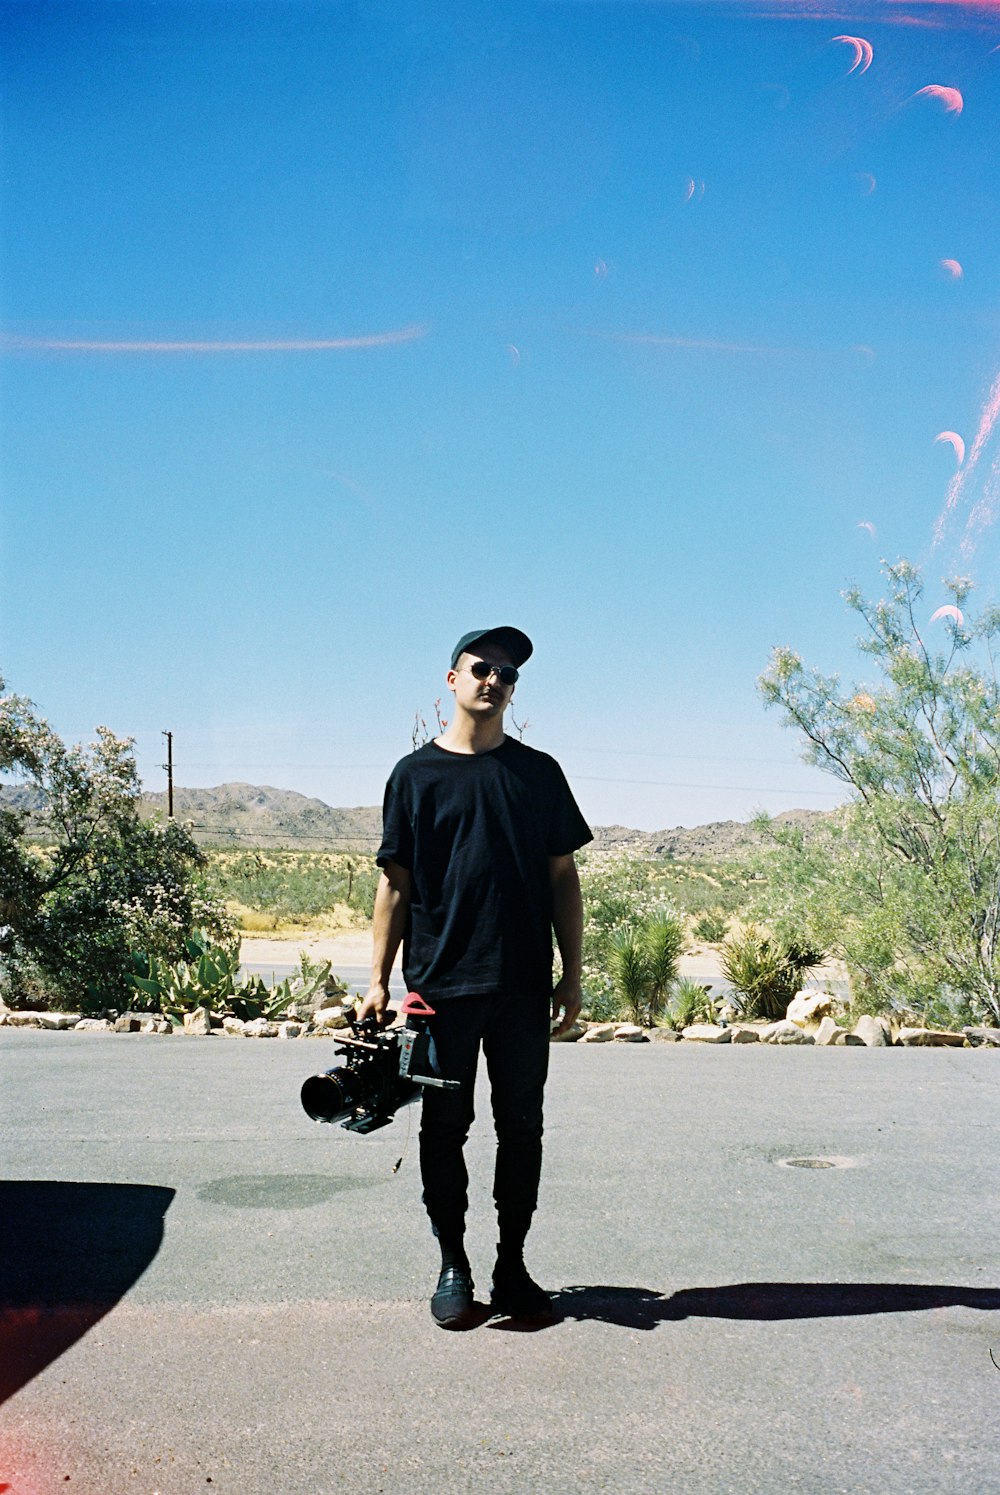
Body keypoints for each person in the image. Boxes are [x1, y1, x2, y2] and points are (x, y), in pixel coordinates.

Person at [358, 626, 592, 1329]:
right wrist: (377, 979)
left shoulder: (539, 774)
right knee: (442, 1128)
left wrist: (572, 974)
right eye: (482, 668)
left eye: (508, 674)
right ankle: (452, 1264)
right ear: (452, 681)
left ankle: (512, 1265)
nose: (495, 680)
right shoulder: (414, 776)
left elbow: (564, 878)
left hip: (521, 987)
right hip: (439, 987)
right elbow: (394, 886)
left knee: (523, 1129)